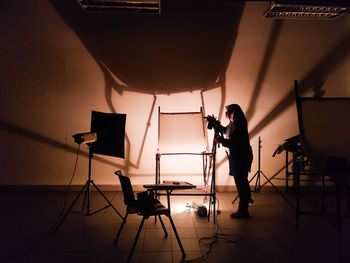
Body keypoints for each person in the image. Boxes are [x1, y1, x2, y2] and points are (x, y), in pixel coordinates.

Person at [207, 104, 253, 218]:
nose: (226, 114)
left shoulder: (239, 126)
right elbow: (225, 131)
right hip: (236, 157)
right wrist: (215, 123)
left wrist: (222, 141)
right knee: (242, 181)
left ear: (233, 113)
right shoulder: (233, 124)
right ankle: (245, 202)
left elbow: (236, 144)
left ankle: (243, 210)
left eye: (228, 112)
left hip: (241, 157)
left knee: (241, 182)